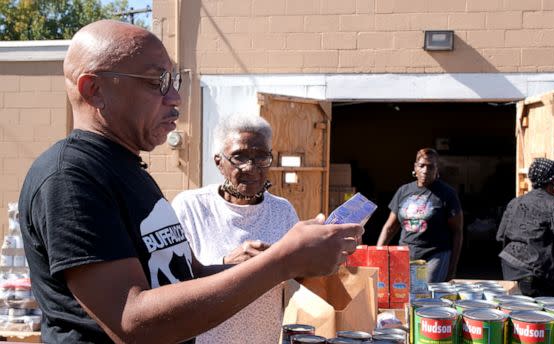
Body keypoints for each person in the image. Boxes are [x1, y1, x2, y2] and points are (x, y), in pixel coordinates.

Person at [17, 20, 362, 344]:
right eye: (157, 82)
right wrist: (283, 261)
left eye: (174, 81)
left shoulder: (132, 171)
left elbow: (186, 275)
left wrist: (275, 260)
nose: (175, 98)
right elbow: (131, 322)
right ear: (94, 90)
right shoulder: (70, 177)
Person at [172, 114, 298, 344]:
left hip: (264, 338)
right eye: (239, 157)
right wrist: (226, 263)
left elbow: (296, 280)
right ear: (219, 161)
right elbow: (172, 284)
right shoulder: (191, 207)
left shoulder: (283, 211)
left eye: (261, 157)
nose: (251, 168)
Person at [496, 158, 554, 297]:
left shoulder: (515, 202)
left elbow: (500, 236)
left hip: (511, 268)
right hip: (538, 273)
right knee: (538, 315)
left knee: (517, 311)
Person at [377, 148, 463, 282]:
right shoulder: (403, 191)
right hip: (406, 254)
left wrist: (452, 268)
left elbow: (457, 232)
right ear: (415, 167)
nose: (425, 170)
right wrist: (378, 253)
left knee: (426, 294)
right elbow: (390, 227)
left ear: (437, 169)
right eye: (422, 165)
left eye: (430, 166)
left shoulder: (447, 194)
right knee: (403, 294)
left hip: (435, 255)